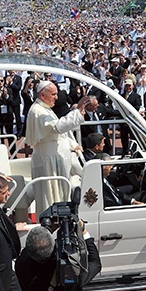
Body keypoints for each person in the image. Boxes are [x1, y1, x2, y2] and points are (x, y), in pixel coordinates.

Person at [15, 223, 101, 291]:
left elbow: (33, 247)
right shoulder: (69, 271)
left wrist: (48, 227)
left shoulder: (22, 265)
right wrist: (84, 233)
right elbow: (95, 263)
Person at [25, 81, 91, 216]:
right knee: (50, 197)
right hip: (49, 162)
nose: (56, 97)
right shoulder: (38, 110)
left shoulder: (45, 108)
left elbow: (57, 134)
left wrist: (73, 145)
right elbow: (57, 127)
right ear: (43, 95)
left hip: (55, 159)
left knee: (60, 193)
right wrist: (77, 112)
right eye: (53, 94)